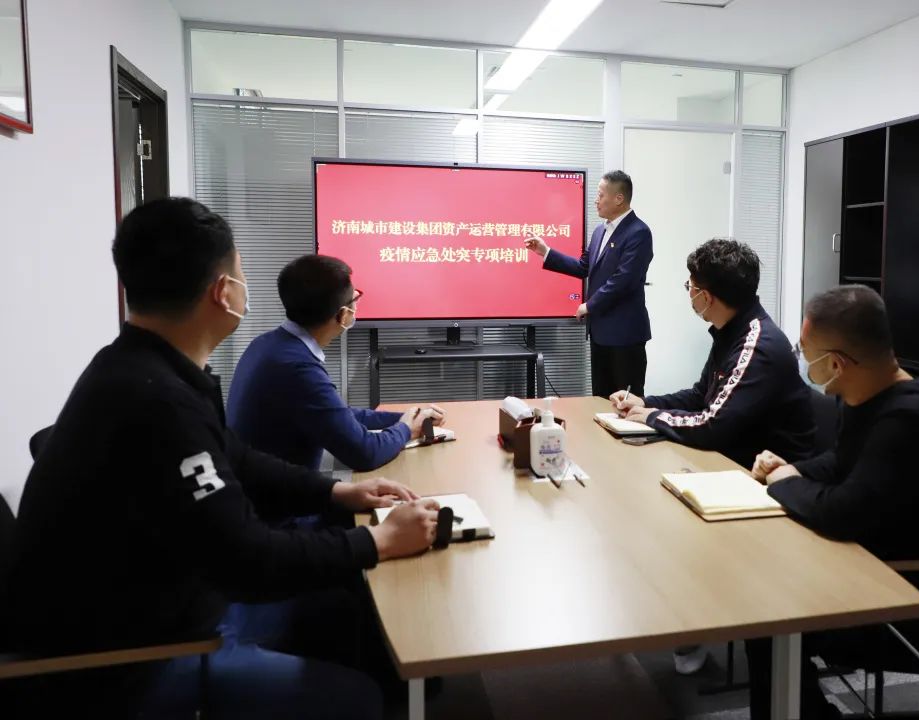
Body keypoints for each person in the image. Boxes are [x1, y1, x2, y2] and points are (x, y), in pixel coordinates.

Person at [3, 198, 439, 719]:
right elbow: (246, 560)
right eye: (242, 273)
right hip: (136, 658)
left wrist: (337, 491)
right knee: (359, 698)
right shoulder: (157, 401)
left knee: (348, 613)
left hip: (161, 601)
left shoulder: (141, 367)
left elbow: (239, 458)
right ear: (224, 291)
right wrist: (378, 540)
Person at [746, 285, 919, 720]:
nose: (803, 361)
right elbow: (842, 461)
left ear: (835, 364)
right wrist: (793, 469)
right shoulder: (869, 393)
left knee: (770, 617)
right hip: (878, 562)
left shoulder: (908, 419)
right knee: (766, 603)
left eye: (805, 352)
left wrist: (782, 483)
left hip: (917, 595)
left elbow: (842, 512)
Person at [227, 253, 444, 475]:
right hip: (281, 496)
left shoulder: (268, 345)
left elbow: (336, 415)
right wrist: (406, 429)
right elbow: (365, 453)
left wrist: (404, 418)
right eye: (355, 299)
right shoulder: (297, 368)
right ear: (343, 315)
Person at [613, 238, 814, 470]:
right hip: (732, 459)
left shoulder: (756, 346)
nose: (689, 293)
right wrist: (645, 402)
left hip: (763, 476)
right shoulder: (732, 330)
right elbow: (701, 396)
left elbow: (713, 426)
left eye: (690, 287)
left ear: (706, 297)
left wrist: (652, 416)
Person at [524, 170, 653, 399]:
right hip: (600, 332)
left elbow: (623, 280)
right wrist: (546, 252)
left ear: (619, 198)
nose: (596, 200)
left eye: (601, 195)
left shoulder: (638, 232)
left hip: (625, 336)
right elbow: (584, 266)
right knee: (600, 400)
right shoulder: (599, 231)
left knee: (626, 402)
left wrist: (589, 305)